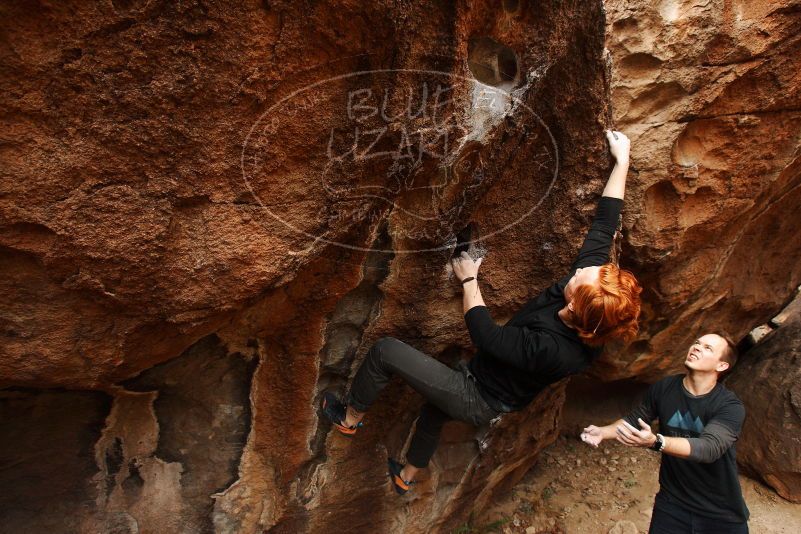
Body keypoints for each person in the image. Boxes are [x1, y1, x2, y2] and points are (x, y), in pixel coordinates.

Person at [323, 130, 642, 495]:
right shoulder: (592, 303)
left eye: (583, 276)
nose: (583, 268)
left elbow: (487, 337)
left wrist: (469, 278)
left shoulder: (557, 350)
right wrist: (622, 161)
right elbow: (605, 224)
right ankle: (406, 476)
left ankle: (349, 418)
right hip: (488, 384)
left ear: (573, 306)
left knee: (385, 352)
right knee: (432, 412)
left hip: (479, 398)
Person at [580, 333, 749, 533]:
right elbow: (635, 420)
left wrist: (657, 442)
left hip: (721, 512)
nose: (696, 347)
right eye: (697, 343)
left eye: (707, 348)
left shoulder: (729, 406)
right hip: (673, 504)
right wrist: (603, 431)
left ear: (721, 366)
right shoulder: (665, 388)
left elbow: (709, 448)